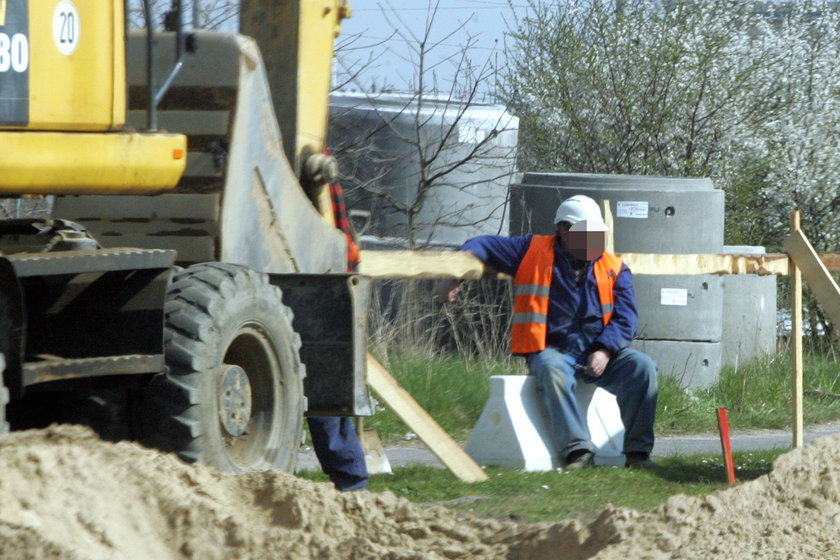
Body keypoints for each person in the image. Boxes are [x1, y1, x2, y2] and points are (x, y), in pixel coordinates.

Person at [439, 195, 658, 469]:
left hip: (601, 350)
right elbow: (480, 244)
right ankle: (578, 450)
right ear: (563, 231)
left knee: (643, 368)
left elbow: (627, 319)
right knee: (551, 369)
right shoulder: (529, 249)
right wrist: (452, 276)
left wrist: (604, 350)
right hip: (553, 350)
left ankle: (638, 454)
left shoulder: (614, 268)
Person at [305, 182, 368, 491]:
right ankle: (351, 479)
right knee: (327, 396)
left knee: (326, 395)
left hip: (325, 288)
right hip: (323, 282)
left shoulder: (315, 162)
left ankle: (351, 481)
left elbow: (344, 239)